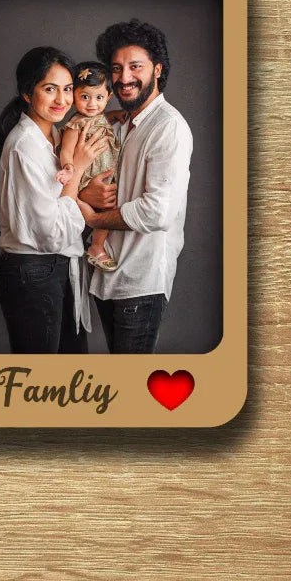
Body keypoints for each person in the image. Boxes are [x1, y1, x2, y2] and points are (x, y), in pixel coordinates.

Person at [76, 19, 193, 353]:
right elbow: (92, 179)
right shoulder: (122, 124)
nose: (124, 77)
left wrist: (95, 219)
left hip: (140, 283)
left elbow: (157, 212)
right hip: (107, 278)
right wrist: (85, 196)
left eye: (135, 66)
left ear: (157, 69)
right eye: (116, 68)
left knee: (132, 387)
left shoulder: (167, 127)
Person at [0, 46, 109, 354]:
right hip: (33, 272)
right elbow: (52, 234)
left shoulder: (56, 136)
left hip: (56, 269)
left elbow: (61, 201)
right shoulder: (24, 146)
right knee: (40, 380)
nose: (62, 100)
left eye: (68, 89)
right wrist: (79, 170)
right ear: (28, 93)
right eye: (50, 89)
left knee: (69, 374)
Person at [56, 61, 120, 271]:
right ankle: (96, 246)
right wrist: (68, 167)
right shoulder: (76, 124)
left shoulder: (99, 116)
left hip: (104, 177)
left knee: (110, 210)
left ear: (108, 97)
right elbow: (66, 149)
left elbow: (101, 117)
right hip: (83, 178)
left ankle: (96, 246)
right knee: (88, 208)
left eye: (99, 97)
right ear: (74, 95)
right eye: (85, 97)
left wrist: (115, 114)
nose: (92, 104)